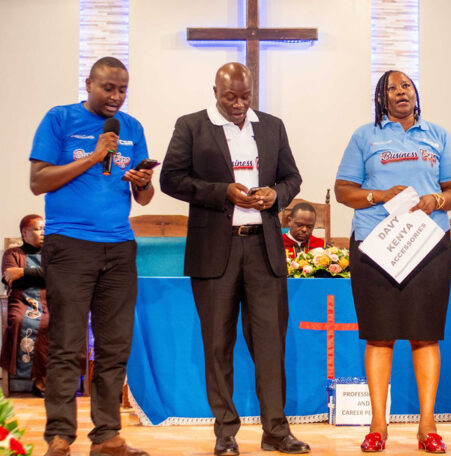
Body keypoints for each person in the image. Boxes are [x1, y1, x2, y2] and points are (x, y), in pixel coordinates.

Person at [160, 62, 309, 456]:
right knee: (217, 345)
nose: (239, 104)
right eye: (230, 97)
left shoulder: (272, 126)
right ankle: (225, 433)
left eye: (246, 96)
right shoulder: (192, 126)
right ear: (215, 92)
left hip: (264, 250)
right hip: (215, 251)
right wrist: (221, 191)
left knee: (270, 344)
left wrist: (276, 195)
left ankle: (275, 430)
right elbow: (170, 179)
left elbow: (292, 178)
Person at [335, 70, 451, 453]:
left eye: (405, 86)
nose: (400, 92)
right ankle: (378, 426)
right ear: (381, 98)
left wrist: (437, 200)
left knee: (425, 334)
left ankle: (427, 426)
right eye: (391, 89)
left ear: (415, 92)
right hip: (376, 245)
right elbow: (343, 190)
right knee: (379, 335)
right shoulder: (365, 136)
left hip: (426, 244)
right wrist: (378, 195)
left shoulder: (438, 135)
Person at [29, 56, 154, 456]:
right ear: (89, 84)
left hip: (119, 246)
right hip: (69, 245)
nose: (116, 96)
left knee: (115, 346)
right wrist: (93, 155)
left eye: (122, 89)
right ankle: (60, 436)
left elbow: (144, 198)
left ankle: (107, 436)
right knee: (67, 345)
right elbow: (38, 181)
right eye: (108, 88)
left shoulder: (132, 128)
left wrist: (143, 182)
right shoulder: (60, 119)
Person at [1, 214, 49, 397]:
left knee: (60, 322)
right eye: (37, 229)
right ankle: (39, 379)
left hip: (50, 300)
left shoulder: (52, 253)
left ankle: (46, 380)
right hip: (22, 300)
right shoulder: (12, 254)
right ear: (24, 233)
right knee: (20, 321)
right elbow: (12, 281)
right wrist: (42, 275)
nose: (43, 233)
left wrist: (22, 272)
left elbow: (58, 275)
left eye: (44, 229)